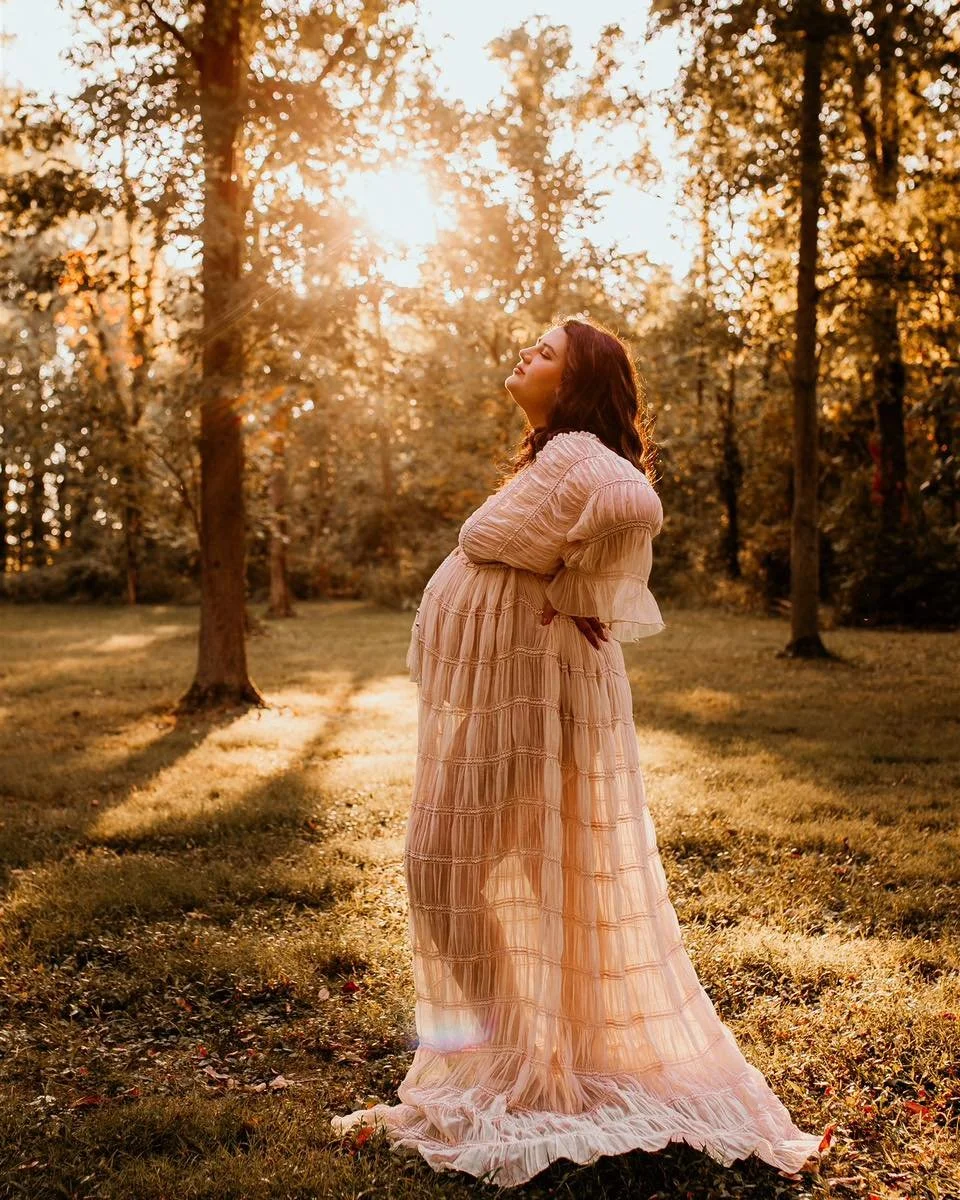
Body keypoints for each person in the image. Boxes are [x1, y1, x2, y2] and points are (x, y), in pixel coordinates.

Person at [331, 316, 829, 1187]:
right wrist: (571, 580)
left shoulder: (577, 452)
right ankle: (536, 1060)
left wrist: (578, 584)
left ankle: (526, 1062)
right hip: (518, 678)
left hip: (529, 678)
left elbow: (634, 502)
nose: (525, 354)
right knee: (520, 865)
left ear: (579, 383)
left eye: (546, 352)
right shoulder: (550, 456)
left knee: (442, 860)